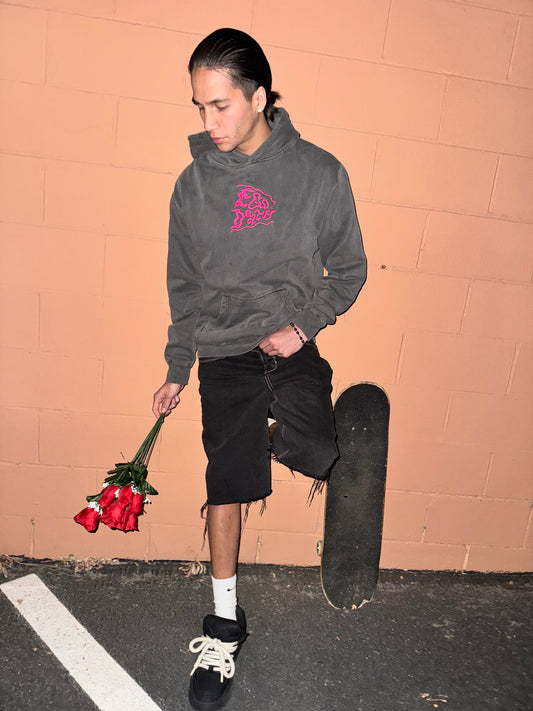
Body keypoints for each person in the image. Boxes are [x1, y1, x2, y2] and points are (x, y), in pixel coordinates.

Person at [152, 28, 366, 711]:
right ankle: (223, 624)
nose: (208, 121)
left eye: (220, 105)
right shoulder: (192, 187)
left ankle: (267, 435)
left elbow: (349, 271)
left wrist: (302, 327)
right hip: (222, 349)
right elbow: (184, 288)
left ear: (259, 97)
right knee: (227, 479)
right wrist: (178, 366)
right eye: (199, 106)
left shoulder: (319, 173)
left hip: (289, 341)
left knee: (318, 450)